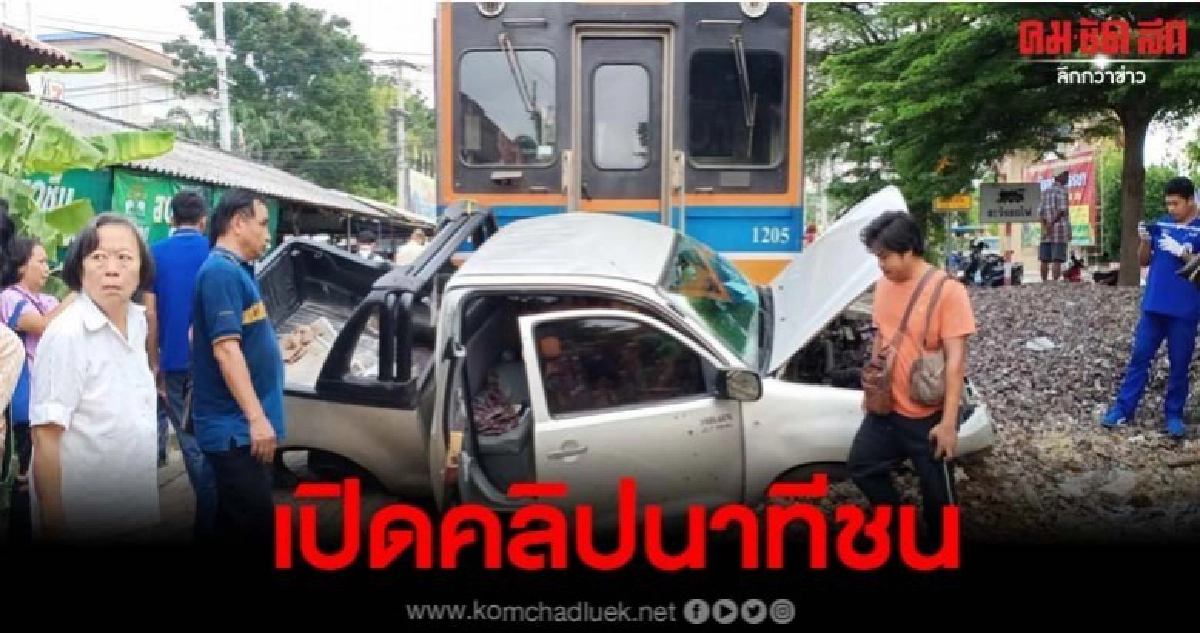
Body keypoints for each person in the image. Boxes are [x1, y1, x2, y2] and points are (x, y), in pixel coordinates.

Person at [847, 211, 977, 549]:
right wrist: (872, 389)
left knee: (939, 498)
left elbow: (956, 362)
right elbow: (882, 337)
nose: (880, 265)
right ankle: (901, 531)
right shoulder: (883, 286)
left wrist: (948, 423)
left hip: (928, 415)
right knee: (862, 466)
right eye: (877, 257)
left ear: (908, 251)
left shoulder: (948, 292)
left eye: (885, 256)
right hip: (887, 408)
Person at [29, 213, 159, 542]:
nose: (112, 269)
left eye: (124, 257)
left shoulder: (137, 321)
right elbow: (45, 437)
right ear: (79, 267)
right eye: (98, 257)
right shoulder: (68, 334)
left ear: (141, 268)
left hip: (134, 508)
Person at [191, 188, 285, 547]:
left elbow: (240, 340)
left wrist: (281, 349)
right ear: (238, 223)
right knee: (252, 528)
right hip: (236, 431)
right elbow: (226, 351)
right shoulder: (220, 272)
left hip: (239, 428)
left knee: (226, 524)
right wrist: (257, 419)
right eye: (262, 223)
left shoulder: (237, 270)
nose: (267, 234)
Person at [144, 190, 218, 540]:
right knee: (213, 434)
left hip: (173, 360)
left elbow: (150, 314)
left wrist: (153, 362)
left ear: (171, 219)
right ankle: (212, 513)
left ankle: (210, 513)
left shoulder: (154, 254)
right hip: (216, 359)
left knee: (188, 439)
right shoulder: (216, 251)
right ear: (204, 219)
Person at [1102, 176, 1200, 440]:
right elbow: (1144, 261)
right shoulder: (1162, 224)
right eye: (1168, 204)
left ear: (1191, 201)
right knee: (1140, 357)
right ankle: (1123, 409)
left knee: (1179, 363)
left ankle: (1174, 416)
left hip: (1184, 309)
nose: (1171, 209)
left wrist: (1183, 252)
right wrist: (1145, 241)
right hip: (1154, 305)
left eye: (1176, 204)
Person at [1, 231, 75, 542]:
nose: (47, 268)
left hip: (52, 398)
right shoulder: (10, 298)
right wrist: (75, 297)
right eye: (40, 262)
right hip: (24, 402)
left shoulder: (48, 300)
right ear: (21, 265)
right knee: (22, 478)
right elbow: (43, 326)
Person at [1038, 170, 1071, 282]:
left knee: (1044, 259)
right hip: (1059, 231)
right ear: (1060, 176)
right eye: (1066, 175)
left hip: (1046, 231)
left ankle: (1044, 282)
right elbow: (1062, 211)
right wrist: (1051, 224)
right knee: (1057, 259)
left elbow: (1040, 213)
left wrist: (1046, 226)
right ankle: (1054, 283)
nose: (1067, 178)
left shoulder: (1045, 192)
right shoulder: (1062, 191)